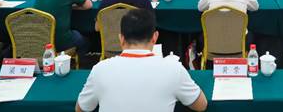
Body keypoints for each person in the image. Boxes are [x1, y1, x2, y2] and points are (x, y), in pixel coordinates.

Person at [76, 9, 207, 112]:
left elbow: (81, 108)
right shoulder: (173, 69)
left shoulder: (100, 69)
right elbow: (201, 105)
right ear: (155, 37)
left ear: (121, 39)